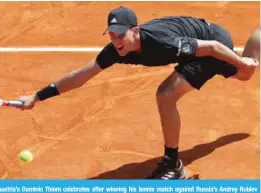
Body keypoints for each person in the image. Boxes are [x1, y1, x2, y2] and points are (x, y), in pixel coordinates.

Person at [16, 6, 259, 179]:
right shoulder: (114, 50)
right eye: (112, 34)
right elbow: (80, 76)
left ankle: (174, 166)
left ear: (136, 30)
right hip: (196, 46)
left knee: (167, 94)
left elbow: (213, 47)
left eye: (121, 34)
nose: (117, 39)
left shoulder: (160, 41)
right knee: (243, 75)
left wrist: (240, 61)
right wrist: (37, 96)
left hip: (211, 42)